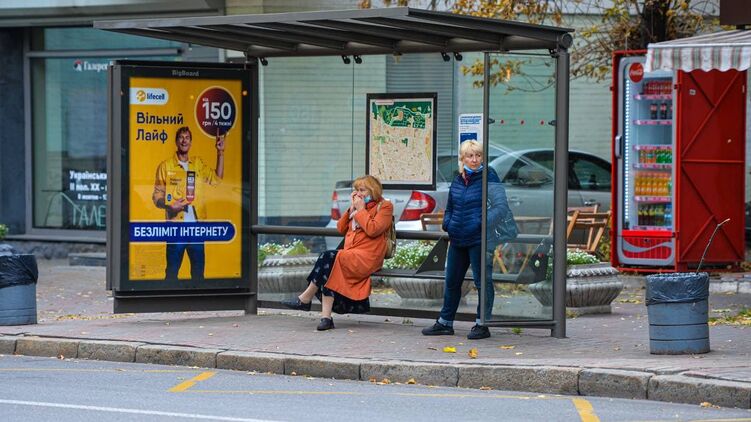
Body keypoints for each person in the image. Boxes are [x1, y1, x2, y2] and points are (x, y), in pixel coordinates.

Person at [422, 140, 512, 340]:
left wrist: (480, 223)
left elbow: (501, 206)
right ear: (462, 158)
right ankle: (445, 323)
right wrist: (448, 223)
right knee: (452, 281)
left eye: (478, 155)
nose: (474, 159)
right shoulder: (458, 179)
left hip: (478, 239)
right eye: (470, 156)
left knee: (482, 282)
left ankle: (482, 324)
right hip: (457, 238)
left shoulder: (489, 176)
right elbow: (451, 206)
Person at [281, 175, 394, 331]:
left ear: (372, 191)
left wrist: (361, 210)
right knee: (330, 265)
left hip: (368, 257)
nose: (358, 194)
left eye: (362, 190)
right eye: (356, 190)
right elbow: (340, 228)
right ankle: (325, 318)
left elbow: (373, 230)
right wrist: (351, 209)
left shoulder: (385, 206)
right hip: (351, 254)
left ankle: (306, 298)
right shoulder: (356, 207)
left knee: (329, 258)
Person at [152, 126, 225, 280]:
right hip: (176, 228)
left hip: (196, 229)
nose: (184, 140)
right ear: (176, 141)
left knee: (198, 274)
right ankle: (172, 303)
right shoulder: (165, 166)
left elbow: (217, 179)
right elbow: (156, 196)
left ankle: (196, 304)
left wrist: (220, 152)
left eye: (187, 138)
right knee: (171, 273)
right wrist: (168, 206)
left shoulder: (197, 164)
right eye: (181, 137)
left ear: (191, 142)